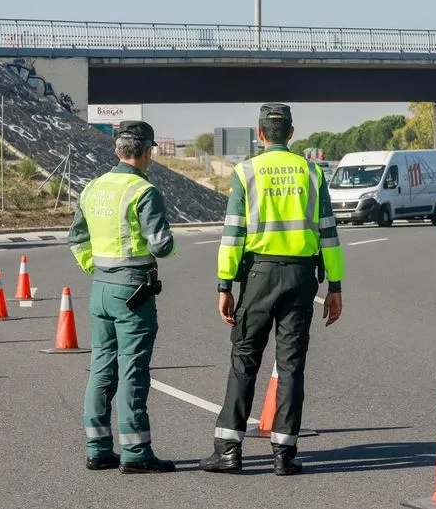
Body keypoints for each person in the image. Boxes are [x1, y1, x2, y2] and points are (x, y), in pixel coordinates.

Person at [200, 103, 345, 476]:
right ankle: (284, 453)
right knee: (292, 365)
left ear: (260, 134)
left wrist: (224, 284)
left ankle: (229, 451)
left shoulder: (245, 172)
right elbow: (328, 232)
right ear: (292, 133)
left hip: (258, 277)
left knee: (244, 360)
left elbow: (233, 233)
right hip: (300, 279)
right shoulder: (312, 172)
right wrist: (335, 285)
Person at [67, 120, 178, 474]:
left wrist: (96, 270)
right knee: (133, 370)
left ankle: (98, 448)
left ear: (117, 150)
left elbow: (76, 239)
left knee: (101, 367)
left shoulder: (92, 188)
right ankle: (135, 452)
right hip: (133, 290)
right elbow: (162, 246)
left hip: (101, 287)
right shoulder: (144, 191)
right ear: (147, 152)